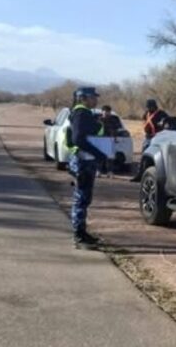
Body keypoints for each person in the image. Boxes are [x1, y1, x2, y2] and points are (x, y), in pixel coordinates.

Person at [66, 86, 108, 249]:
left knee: (84, 198)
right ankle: (79, 236)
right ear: (83, 98)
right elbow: (78, 140)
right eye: (92, 97)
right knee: (81, 198)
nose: (96, 100)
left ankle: (82, 232)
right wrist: (99, 154)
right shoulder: (81, 113)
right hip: (83, 162)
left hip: (85, 161)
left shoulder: (84, 113)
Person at [97, 105, 124, 176]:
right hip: (100, 140)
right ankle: (98, 171)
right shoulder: (99, 120)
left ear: (110, 112)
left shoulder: (114, 120)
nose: (106, 113)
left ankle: (110, 171)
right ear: (102, 112)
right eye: (104, 111)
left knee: (110, 157)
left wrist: (116, 137)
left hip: (110, 140)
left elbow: (118, 129)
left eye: (108, 111)